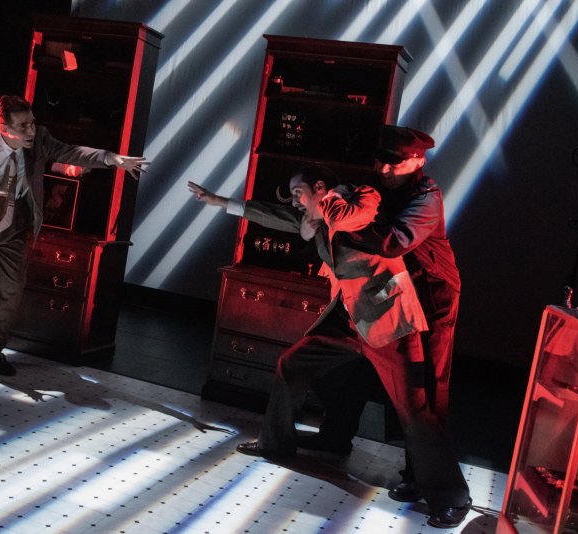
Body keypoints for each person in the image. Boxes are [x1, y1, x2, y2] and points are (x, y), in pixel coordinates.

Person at [187, 166, 471, 528]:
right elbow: (276, 216)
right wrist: (219, 201)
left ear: (320, 187)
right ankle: (275, 444)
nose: (294, 202)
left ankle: (453, 498)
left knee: (413, 411)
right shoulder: (315, 216)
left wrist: (328, 203)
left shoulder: (359, 201)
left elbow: (357, 215)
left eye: (298, 194)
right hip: (351, 317)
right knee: (293, 363)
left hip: (389, 322)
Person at [0, 95, 147, 376]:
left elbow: (71, 152)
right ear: (3, 127)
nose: (31, 130)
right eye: (23, 126)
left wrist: (111, 158)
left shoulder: (40, 138)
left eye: (32, 123)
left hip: (16, 223)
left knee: (8, 290)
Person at [305, 126, 461, 503]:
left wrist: (343, 219)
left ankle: (424, 478)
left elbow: (394, 243)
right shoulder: (379, 186)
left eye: (395, 164)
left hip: (431, 296)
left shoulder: (427, 198)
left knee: (422, 389)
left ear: (418, 162)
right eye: (382, 162)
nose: (385, 170)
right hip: (391, 292)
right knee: (359, 365)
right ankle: (335, 436)